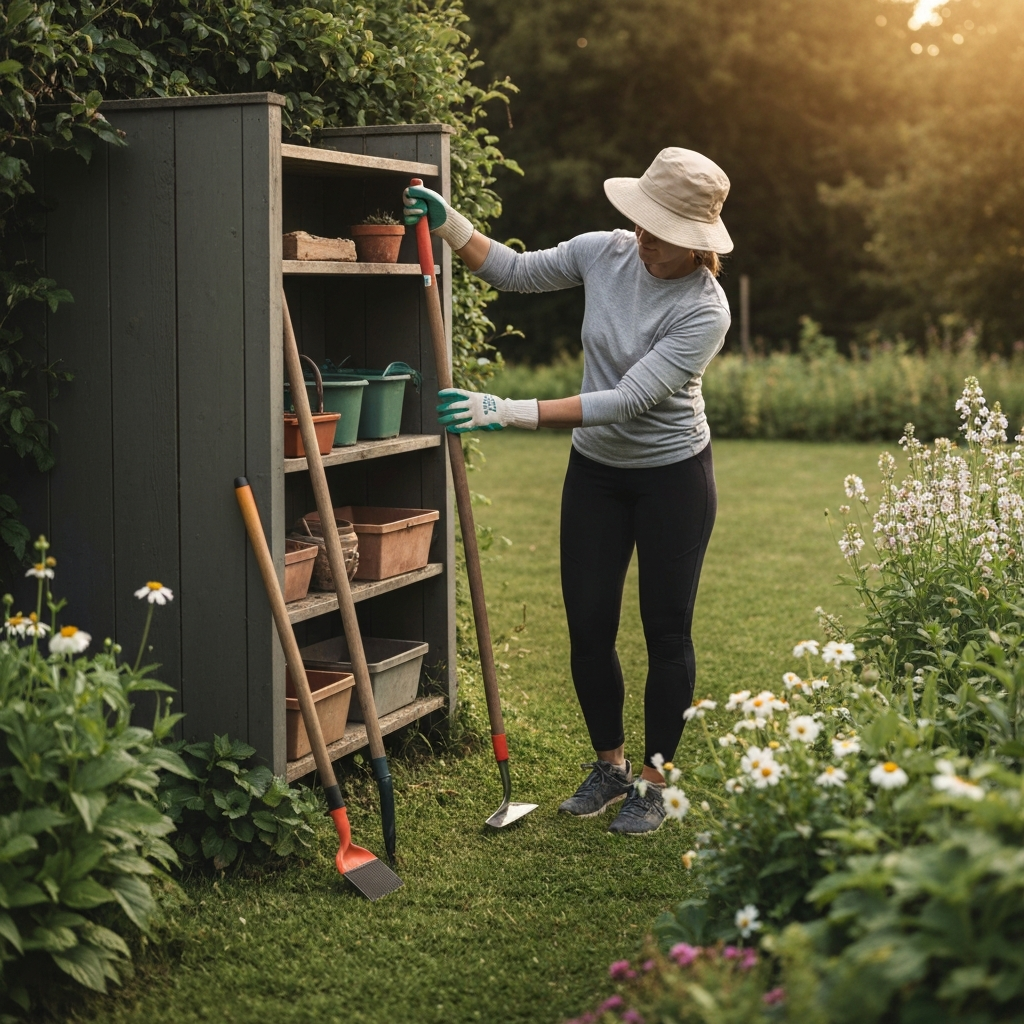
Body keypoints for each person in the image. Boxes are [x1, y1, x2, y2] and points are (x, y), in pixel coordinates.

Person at [404, 148, 732, 834]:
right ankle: (610, 767)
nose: (643, 238)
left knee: (666, 631)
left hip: (673, 477)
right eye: (642, 222)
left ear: (696, 244)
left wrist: (507, 410)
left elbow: (629, 399)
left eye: (661, 231)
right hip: (596, 474)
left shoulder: (707, 311)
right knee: (588, 624)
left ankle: (653, 782)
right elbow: (515, 272)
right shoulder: (604, 251)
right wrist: (453, 226)